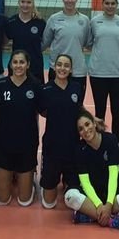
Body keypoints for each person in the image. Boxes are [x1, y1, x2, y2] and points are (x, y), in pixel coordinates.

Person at [64, 109, 119, 229]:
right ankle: (111, 221)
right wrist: (99, 205)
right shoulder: (79, 149)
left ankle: (89, 216)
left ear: (94, 123)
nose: (85, 130)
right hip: (92, 195)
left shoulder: (110, 140)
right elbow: (85, 182)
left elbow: (113, 174)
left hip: (111, 193)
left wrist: (108, 204)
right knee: (69, 196)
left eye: (87, 124)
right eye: (81, 129)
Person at [0, 50, 41, 207]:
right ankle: (10, 175)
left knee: (24, 201)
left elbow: (47, 109)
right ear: (10, 64)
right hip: (4, 144)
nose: (18, 65)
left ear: (28, 65)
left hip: (27, 144)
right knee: (2, 200)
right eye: (15, 62)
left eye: (22, 62)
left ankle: (29, 180)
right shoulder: (0, 85)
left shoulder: (35, 85)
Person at [38, 54, 82, 209]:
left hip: (72, 146)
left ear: (71, 69)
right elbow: (43, 111)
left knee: (73, 200)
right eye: (59, 65)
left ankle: (68, 181)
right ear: (54, 67)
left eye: (66, 65)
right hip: (52, 146)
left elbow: (79, 109)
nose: (62, 68)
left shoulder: (76, 87)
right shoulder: (46, 89)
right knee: (48, 204)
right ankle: (49, 181)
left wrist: (93, 119)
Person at [88, 0, 119, 142]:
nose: (110, 6)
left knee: (117, 112)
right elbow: (88, 43)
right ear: (102, 4)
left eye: (113, 3)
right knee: (100, 111)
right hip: (98, 73)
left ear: (117, 5)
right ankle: (100, 142)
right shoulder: (94, 21)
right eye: (107, 3)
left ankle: (117, 144)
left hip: (118, 74)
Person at [42, 0, 89, 99]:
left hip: (77, 70)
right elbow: (44, 43)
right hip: (57, 69)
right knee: (54, 103)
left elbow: (87, 43)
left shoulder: (84, 20)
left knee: (77, 104)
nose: (70, 0)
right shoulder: (54, 19)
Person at [6, 0, 46, 83]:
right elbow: (5, 40)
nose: (25, 5)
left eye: (28, 2)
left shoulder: (40, 22)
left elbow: (45, 43)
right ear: (19, 3)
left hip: (35, 66)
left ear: (33, 4)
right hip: (16, 66)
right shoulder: (11, 22)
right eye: (23, 2)